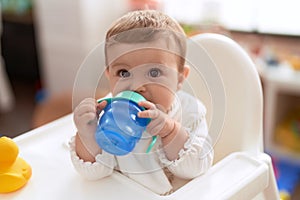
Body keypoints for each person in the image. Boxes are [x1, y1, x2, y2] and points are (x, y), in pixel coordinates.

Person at [70, 10, 213, 195]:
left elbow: (197, 166)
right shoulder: (106, 113)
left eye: (154, 72)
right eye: (123, 72)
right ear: (109, 76)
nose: (137, 86)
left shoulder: (190, 112)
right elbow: (92, 174)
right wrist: (87, 135)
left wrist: (170, 132)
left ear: (179, 79)